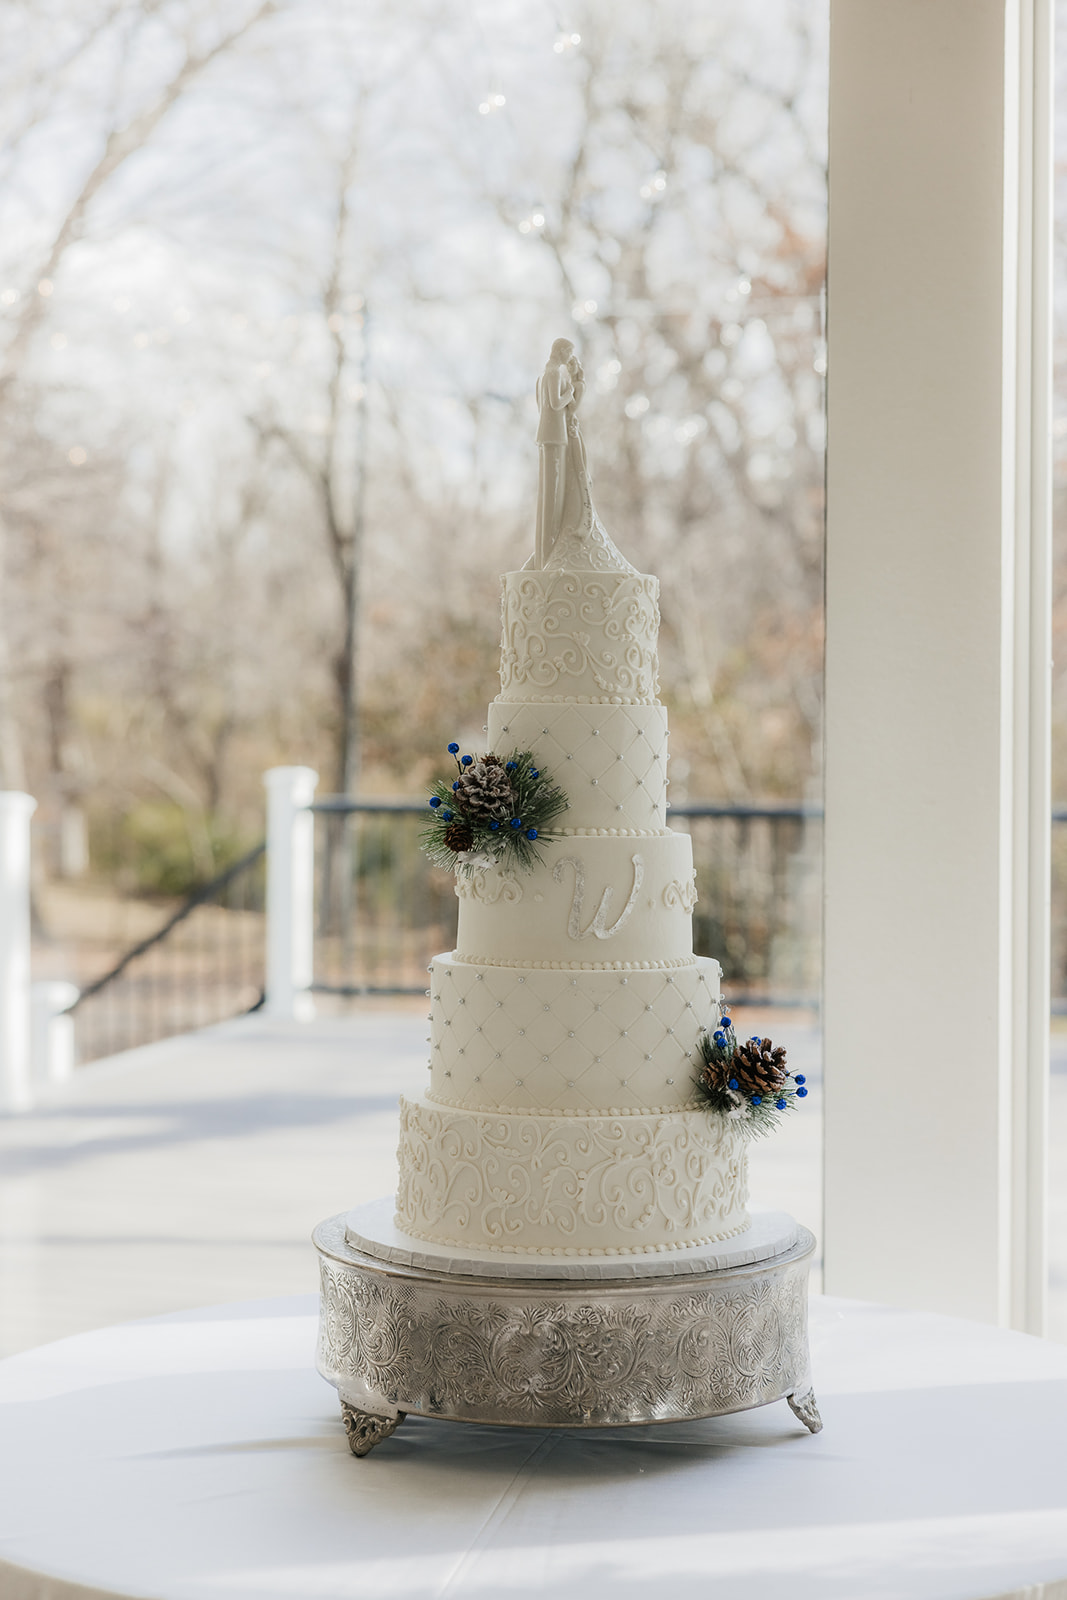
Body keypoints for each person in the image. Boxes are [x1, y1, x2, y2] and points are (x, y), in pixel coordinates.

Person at [534, 338, 575, 567]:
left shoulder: (545, 372)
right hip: (553, 433)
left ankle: (545, 554)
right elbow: (555, 403)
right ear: (560, 351)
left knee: (551, 489)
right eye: (568, 352)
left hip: (549, 432)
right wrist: (569, 393)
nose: (569, 357)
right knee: (552, 488)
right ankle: (546, 555)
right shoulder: (554, 372)